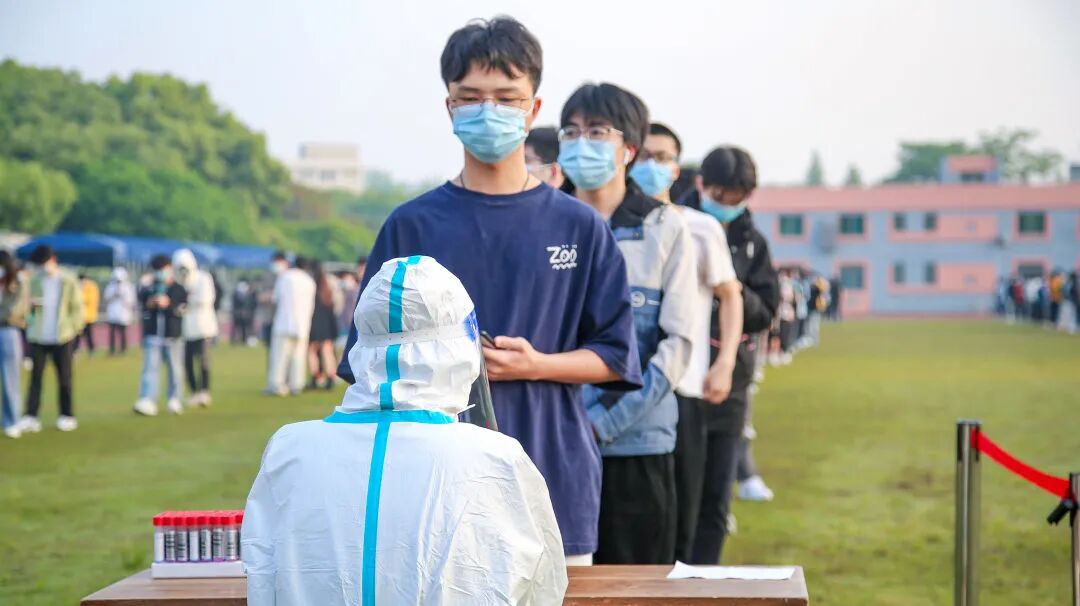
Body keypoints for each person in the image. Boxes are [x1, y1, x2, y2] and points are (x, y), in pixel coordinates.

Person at [336, 17, 642, 565]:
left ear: (534, 108)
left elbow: (616, 356)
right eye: (471, 97)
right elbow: (364, 363)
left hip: (554, 475)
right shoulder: (411, 225)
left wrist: (536, 365)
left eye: (506, 97)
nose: (488, 110)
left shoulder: (579, 227)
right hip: (432, 485)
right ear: (449, 107)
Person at [243, 256, 568, 605]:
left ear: (361, 344)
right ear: (461, 348)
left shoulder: (289, 449)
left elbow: (262, 579)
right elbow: (543, 589)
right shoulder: (498, 459)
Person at [560, 84, 697, 565]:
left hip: (636, 446)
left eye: (598, 132)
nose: (582, 143)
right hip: (552, 446)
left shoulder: (665, 227)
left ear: (629, 148)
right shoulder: (542, 221)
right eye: (571, 132)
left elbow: (677, 345)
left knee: (635, 587)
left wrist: (600, 424)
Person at [630, 122, 744, 563]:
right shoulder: (611, 223)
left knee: (685, 516)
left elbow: (729, 294)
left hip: (683, 387)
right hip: (625, 388)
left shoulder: (700, 227)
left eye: (663, 158)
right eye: (645, 156)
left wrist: (725, 361)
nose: (652, 166)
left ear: (677, 168)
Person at [678, 145, 780, 563]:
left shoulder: (753, 243)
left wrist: (730, 289)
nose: (726, 205)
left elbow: (766, 310)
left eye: (736, 198)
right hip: (678, 376)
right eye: (720, 195)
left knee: (715, 498)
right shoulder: (674, 222)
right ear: (702, 184)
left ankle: (704, 579)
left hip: (728, 381)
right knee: (677, 494)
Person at [19, 245, 84, 433]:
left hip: (62, 335)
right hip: (38, 335)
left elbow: (77, 308)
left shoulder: (68, 280)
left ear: (53, 260)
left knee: (64, 378)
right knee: (35, 378)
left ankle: (66, 415)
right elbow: (28, 309)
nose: (42, 267)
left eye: (43, 263)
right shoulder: (34, 281)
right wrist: (30, 315)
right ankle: (31, 416)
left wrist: (73, 329)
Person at [133, 255, 188, 416]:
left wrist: (168, 305)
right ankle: (147, 399)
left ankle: (175, 399)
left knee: (175, 369)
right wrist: (150, 303)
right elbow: (141, 303)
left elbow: (182, 309)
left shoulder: (178, 289)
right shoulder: (148, 288)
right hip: (153, 334)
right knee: (150, 368)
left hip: (172, 335)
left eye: (163, 269)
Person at [173, 249, 218, 408]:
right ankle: (193, 392)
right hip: (185, 328)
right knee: (187, 362)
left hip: (203, 326)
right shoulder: (177, 282)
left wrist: (188, 301)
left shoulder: (203, 278)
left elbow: (206, 299)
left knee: (203, 359)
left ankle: (204, 391)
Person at [266, 252, 316, 396]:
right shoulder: (309, 281)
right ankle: (296, 384)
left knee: (280, 356)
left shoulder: (285, 277)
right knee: (298, 356)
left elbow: (276, 298)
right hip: (302, 324)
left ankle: (277, 384)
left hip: (284, 322)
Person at [0, 250, 29, 438]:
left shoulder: (18, 281)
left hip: (8, 330)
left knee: (10, 378)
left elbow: (17, 309)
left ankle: (12, 420)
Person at [307, 261, 339, 390]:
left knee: (312, 351)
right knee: (327, 351)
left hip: (314, 324)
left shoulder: (310, 289)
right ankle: (331, 377)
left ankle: (316, 377)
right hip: (327, 325)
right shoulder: (327, 290)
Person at [103, 267, 136, 355]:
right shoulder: (110, 287)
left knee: (123, 332)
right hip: (113, 313)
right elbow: (107, 298)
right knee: (112, 332)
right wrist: (114, 294)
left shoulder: (128, 287)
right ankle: (112, 349)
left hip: (123, 313)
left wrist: (123, 296)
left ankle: (123, 349)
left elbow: (131, 301)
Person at [75, 274, 99, 356]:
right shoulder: (78, 288)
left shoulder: (91, 287)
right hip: (79, 317)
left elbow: (90, 300)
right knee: (77, 335)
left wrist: (81, 296)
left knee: (89, 335)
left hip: (89, 317)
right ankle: (75, 350)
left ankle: (91, 350)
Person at [230, 280, 257, 345]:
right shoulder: (239, 293)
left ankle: (244, 339)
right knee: (238, 327)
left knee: (244, 327)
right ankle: (236, 340)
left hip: (245, 313)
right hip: (239, 313)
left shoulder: (246, 293)